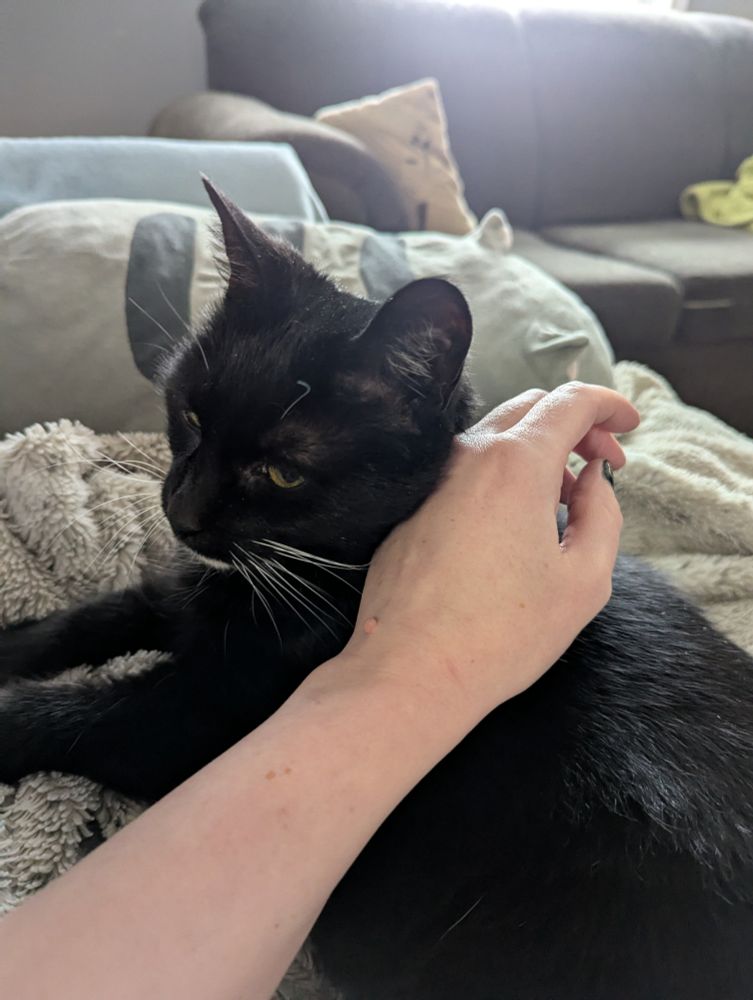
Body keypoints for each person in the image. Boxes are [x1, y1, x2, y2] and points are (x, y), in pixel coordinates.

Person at [0, 382, 640, 1000]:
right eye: (193, 424)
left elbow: (184, 727)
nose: (183, 509)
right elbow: (168, 608)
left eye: (279, 472)